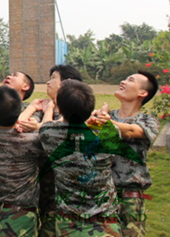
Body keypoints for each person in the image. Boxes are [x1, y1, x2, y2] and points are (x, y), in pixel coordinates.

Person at [39, 79, 122, 237]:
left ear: (60, 109)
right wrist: (100, 115)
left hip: (69, 222)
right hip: (105, 222)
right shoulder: (111, 132)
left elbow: (49, 124)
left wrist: (49, 108)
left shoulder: (48, 132)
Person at [89, 71, 159, 237]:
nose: (123, 81)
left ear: (142, 93)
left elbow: (132, 131)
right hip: (101, 195)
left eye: (130, 80)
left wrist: (106, 122)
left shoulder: (147, 120)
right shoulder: (104, 116)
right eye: (125, 78)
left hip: (129, 197)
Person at [17, 64, 83, 237]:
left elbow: (57, 132)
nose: (48, 82)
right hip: (44, 191)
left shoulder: (80, 113)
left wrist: (39, 126)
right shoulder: (48, 111)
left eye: (53, 77)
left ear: (67, 83)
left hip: (66, 197)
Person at [0, 86, 43, 236]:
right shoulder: (31, 140)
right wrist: (42, 113)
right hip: (20, 216)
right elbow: (49, 132)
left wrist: (31, 108)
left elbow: (11, 124)